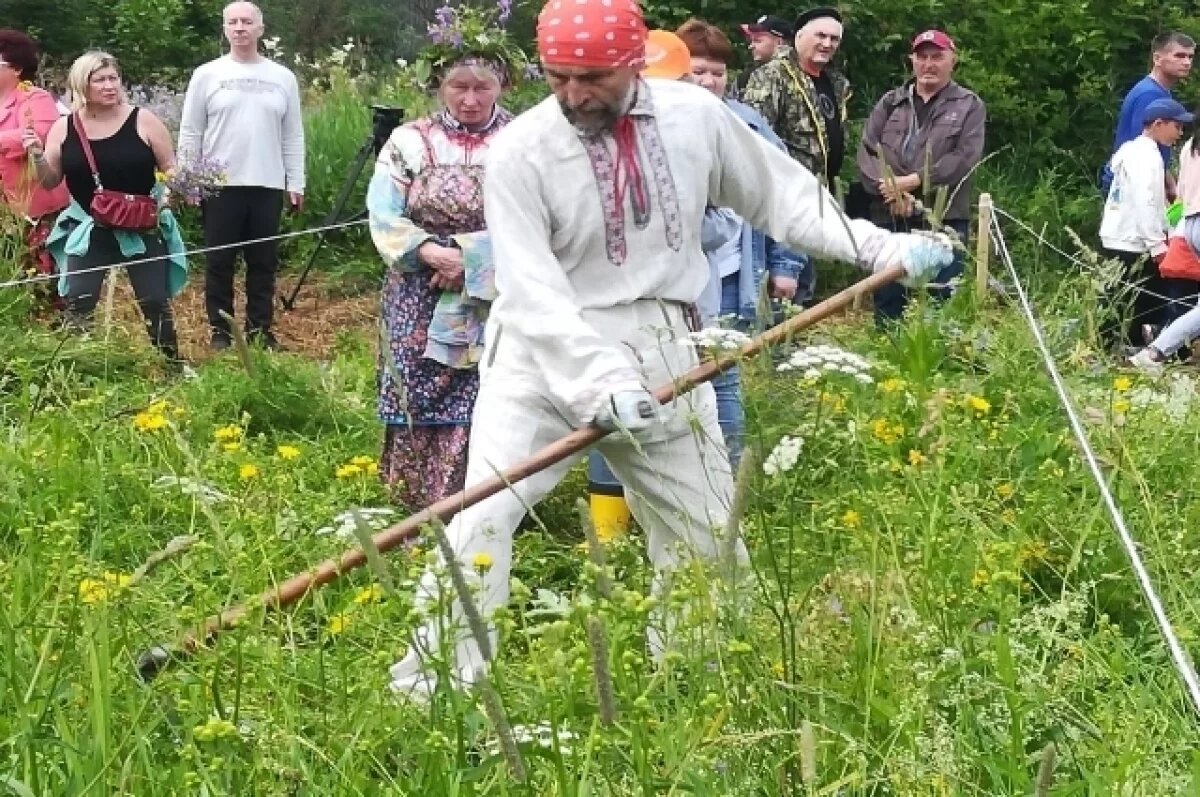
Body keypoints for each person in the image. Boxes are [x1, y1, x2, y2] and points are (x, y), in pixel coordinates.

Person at [386, 0, 954, 698]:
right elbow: (531, 289)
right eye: (558, 77)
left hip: (661, 342)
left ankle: (698, 685)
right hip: (540, 354)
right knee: (482, 514)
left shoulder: (695, 119)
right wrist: (599, 380)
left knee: (704, 527)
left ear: (634, 64)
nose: (573, 94)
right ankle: (435, 689)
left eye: (591, 77)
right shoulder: (521, 151)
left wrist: (880, 246)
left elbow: (784, 198)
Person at [366, 38, 515, 510]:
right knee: (417, 383)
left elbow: (541, 218)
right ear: (439, 86)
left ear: (502, 86)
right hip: (418, 288)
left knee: (493, 387)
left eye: (482, 87)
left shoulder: (521, 139)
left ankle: (487, 505)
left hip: (497, 291)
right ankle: (412, 505)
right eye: (458, 86)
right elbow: (382, 213)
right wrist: (431, 253)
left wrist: (472, 260)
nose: (470, 100)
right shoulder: (410, 140)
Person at [24, 51, 185, 363]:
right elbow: (49, 181)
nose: (110, 85)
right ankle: (78, 371)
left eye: (114, 78)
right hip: (89, 226)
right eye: (100, 80)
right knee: (79, 301)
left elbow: (171, 168)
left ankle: (172, 368)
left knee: (154, 300)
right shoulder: (65, 128)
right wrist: (37, 155)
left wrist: (168, 200)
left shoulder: (144, 120)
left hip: (141, 224)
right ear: (82, 85)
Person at [178, 0, 305, 351]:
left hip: (267, 182)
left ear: (260, 29)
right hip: (219, 185)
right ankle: (221, 331)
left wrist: (296, 182)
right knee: (220, 261)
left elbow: (293, 134)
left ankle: (260, 331)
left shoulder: (282, 78)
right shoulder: (208, 75)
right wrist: (189, 180)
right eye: (232, 22)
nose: (240, 27)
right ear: (225, 29)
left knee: (263, 262)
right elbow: (191, 131)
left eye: (247, 21)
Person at [855, 30, 986, 324]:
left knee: (942, 304)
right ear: (912, 61)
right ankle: (888, 362)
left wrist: (914, 181)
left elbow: (965, 157)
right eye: (922, 57)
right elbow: (867, 152)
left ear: (953, 60)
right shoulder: (890, 102)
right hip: (890, 215)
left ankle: (938, 366)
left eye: (937, 56)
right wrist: (891, 190)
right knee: (888, 304)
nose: (929, 64)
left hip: (944, 221)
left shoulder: (969, 105)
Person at [1099, 98, 1191, 352]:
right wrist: (1157, 244)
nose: (1180, 134)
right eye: (1177, 126)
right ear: (1158, 124)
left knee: (1124, 294)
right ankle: (1122, 345)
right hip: (1133, 239)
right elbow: (1145, 201)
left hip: (1118, 234)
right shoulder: (1146, 157)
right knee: (1135, 297)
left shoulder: (1130, 150)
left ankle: (1128, 344)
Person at [741, 6, 848, 189]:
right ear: (799, 37)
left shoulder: (836, 82)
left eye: (834, 39)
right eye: (821, 36)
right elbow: (755, 138)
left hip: (825, 189)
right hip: (789, 192)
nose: (827, 44)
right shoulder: (773, 75)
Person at [0, 30, 70, 302]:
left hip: (34, 210)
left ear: (16, 69)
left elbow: (38, 135)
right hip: (5, 211)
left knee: (41, 282)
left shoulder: (35, 98)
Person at [1129, 113, 1200, 370]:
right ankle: (1156, 351)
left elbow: (1181, 193)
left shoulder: (1190, 147)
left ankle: (1155, 351)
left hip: (1190, 224)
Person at [1100, 32, 1195, 198]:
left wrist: (1170, 184)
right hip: (1132, 183)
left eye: (1190, 56)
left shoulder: (1159, 91)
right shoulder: (1149, 94)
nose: (1187, 62)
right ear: (1157, 59)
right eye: (1179, 56)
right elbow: (1143, 146)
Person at [733, 15, 791, 98]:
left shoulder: (801, 75)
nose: (751, 46)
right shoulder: (746, 77)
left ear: (779, 42)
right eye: (751, 41)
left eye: (757, 40)